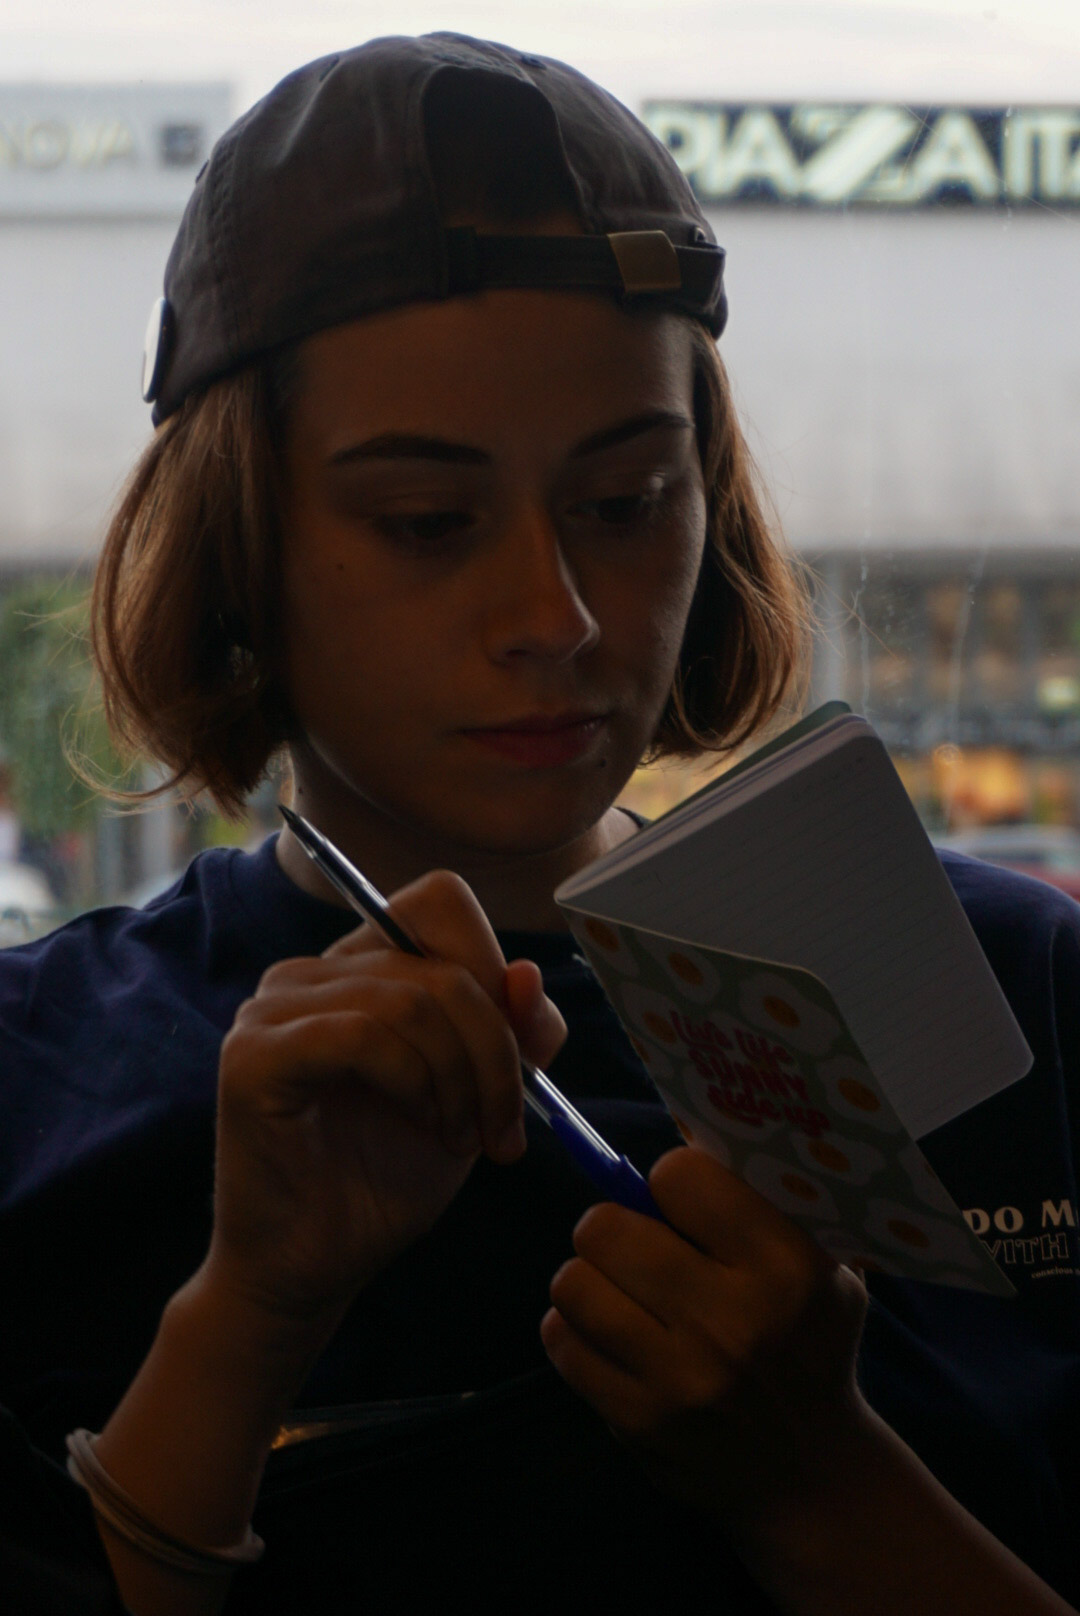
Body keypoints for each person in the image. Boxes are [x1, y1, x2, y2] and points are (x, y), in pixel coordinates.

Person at [1, 33, 1077, 1616]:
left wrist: (822, 1480)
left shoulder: (1013, 995)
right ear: (238, 550)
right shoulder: (37, 1074)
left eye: (627, 502)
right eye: (427, 522)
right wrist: (242, 1323)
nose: (555, 614)